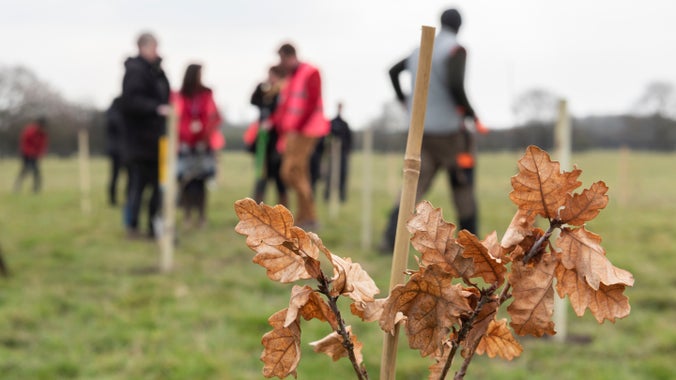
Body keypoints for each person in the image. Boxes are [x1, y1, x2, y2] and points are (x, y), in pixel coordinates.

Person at [379, 8, 488, 253]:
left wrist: (403, 101)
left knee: (411, 189)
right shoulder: (456, 50)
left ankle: (389, 240)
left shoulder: (420, 49)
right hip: (450, 135)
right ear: (460, 26)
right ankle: (472, 245)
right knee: (463, 186)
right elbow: (456, 86)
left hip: (420, 133)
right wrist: (471, 114)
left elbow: (393, 71)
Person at [272, 43, 330, 230]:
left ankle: (309, 216)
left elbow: (312, 102)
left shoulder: (310, 72)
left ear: (290, 55)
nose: (280, 63)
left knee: (291, 171)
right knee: (298, 173)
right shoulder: (292, 76)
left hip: (306, 130)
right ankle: (306, 217)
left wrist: (295, 127)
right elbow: (288, 105)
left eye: (282, 58)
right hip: (293, 132)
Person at [120, 32, 170, 239]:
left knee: (160, 187)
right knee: (137, 187)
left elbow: (166, 93)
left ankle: (153, 226)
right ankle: (131, 226)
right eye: (154, 48)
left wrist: (159, 70)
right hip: (140, 143)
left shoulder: (154, 71)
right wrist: (155, 108)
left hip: (158, 141)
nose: (157, 52)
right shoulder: (134, 71)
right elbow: (131, 102)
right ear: (143, 47)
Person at [173, 64, 222, 228]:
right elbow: (178, 117)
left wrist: (205, 133)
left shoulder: (206, 94)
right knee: (185, 181)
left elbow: (214, 116)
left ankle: (202, 216)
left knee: (201, 181)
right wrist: (187, 133)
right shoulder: (181, 95)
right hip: (186, 143)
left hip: (203, 143)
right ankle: (187, 215)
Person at [246, 65, 288, 206]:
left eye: (272, 76)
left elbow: (282, 113)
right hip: (263, 140)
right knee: (261, 175)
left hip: (277, 140)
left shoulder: (283, 92)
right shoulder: (265, 90)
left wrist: (272, 122)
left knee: (279, 177)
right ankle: (256, 208)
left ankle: (283, 210)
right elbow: (253, 100)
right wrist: (260, 86)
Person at [324, 102, 353, 203]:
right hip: (332, 153)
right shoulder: (332, 123)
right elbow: (326, 136)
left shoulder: (345, 124)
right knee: (330, 174)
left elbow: (349, 139)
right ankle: (327, 196)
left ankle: (342, 197)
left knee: (343, 174)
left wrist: (347, 150)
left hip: (343, 153)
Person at [13, 117, 48, 193]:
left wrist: (40, 153)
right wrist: (30, 152)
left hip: (34, 155)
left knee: (36, 171)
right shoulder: (30, 131)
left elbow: (42, 145)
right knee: (25, 170)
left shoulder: (43, 134)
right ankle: (17, 186)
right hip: (26, 154)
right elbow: (24, 143)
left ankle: (36, 189)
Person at [106, 97, 126, 206]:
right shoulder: (115, 115)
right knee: (115, 175)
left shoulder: (111, 114)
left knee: (117, 175)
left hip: (118, 149)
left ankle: (118, 198)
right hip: (117, 150)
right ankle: (112, 198)